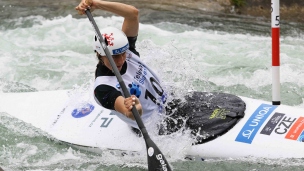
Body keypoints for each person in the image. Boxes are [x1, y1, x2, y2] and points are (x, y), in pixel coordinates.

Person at [75, 0, 168, 131]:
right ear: (100, 54)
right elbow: (129, 112)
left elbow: (132, 14)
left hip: (170, 103)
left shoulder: (128, 50)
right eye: (114, 57)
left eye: (123, 54)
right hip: (155, 125)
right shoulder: (103, 87)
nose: (120, 60)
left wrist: (96, 4)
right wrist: (136, 109)